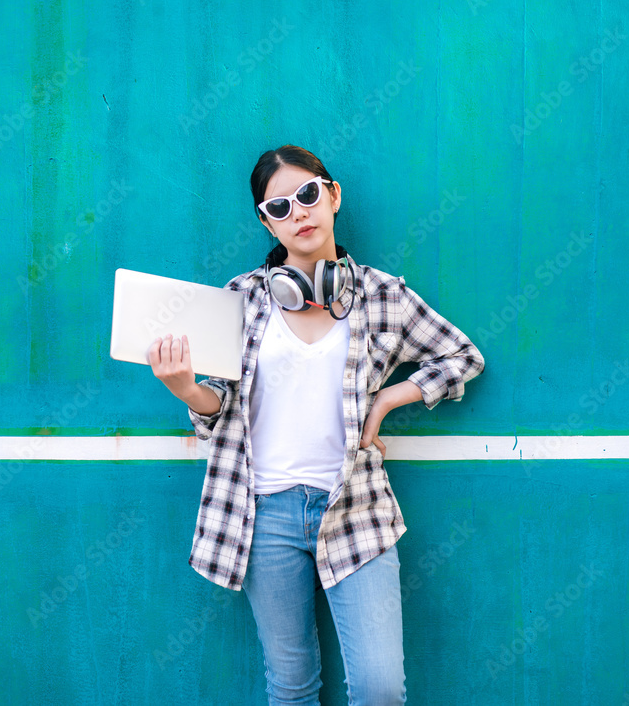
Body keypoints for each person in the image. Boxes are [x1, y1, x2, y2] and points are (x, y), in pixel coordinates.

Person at [148, 145, 485, 705]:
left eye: (307, 194)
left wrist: (387, 401)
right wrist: (185, 386)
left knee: (379, 690)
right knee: (292, 687)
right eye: (278, 207)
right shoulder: (240, 300)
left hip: (356, 506)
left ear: (332, 195)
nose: (298, 212)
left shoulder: (382, 295)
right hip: (262, 513)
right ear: (266, 222)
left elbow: (462, 358)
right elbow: (217, 416)